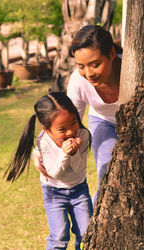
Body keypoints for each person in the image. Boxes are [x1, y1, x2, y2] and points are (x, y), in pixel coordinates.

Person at [36, 25, 122, 205]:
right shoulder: (78, 81)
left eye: (95, 64)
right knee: (107, 178)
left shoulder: (135, 70)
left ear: (112, 54)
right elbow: (64, 119)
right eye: (81, 66)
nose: (89, 74)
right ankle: (93, 225)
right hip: (104, 121)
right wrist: (39, 151)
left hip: (141, 122)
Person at [5, 92, 93, 250]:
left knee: (87, 234)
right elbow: (54, 173)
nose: (70, 132)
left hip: (79, 189)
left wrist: (74, 153)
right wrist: (66, 153)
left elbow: (80, 169)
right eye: (62, 129)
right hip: (54, 192)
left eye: (73, 123)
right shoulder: (43, 142)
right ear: (46, 130)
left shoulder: (83, 135)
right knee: (59, 236)